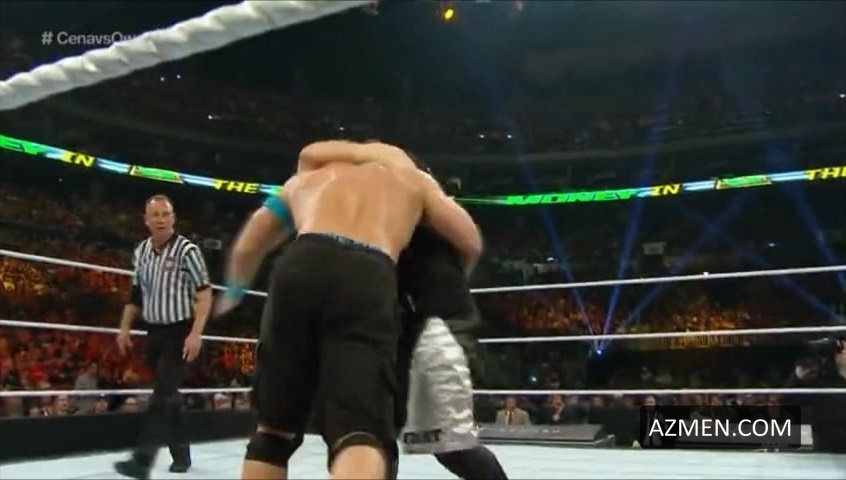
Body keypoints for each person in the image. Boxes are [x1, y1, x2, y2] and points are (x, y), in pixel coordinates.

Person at [214, 140, 482, 480]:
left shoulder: (307, 180)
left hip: (301, 262)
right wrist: (455, 279)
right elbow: (469, 240)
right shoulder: (414, 181)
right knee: (360, 432)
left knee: (273, 431)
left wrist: (234, 292)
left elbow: (248, 245)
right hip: (368, 269)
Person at [393, 168, 509, 480]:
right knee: (374, 437)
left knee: (451, 444)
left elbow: (471, 246)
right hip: (398, 328)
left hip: (435, 327)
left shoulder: (425, 207)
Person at [114, 195, 212, 480]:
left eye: (165, 214)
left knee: (162, 395)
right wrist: (124, 328)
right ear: (146, 220)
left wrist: (196, 333)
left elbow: (204, 293)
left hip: (179, 331)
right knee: (167, 395)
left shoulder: (187, 251)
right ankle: (181, 455)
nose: (160, 219)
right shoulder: (141, 252)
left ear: (173, 218)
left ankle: (141, 461)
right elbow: (136, 295)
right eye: (155, 214)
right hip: (154, 331)